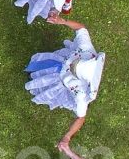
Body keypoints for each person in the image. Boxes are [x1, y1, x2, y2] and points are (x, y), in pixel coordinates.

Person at [25, 13, 106, 146]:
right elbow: (81, 28)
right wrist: (62, 21)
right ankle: (34, 69)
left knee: (41, 82)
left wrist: (67, 137)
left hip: (59, 82)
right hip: (59, 63)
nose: (72, 64)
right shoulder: (86, 51)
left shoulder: (81, 93)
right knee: (43, 65)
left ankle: (33, 76)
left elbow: (81, 117)